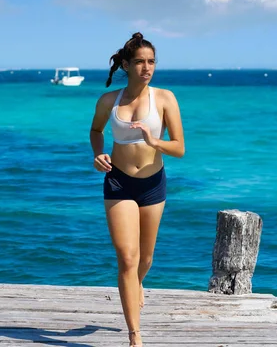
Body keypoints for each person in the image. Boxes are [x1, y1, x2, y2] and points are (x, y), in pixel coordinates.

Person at [89, 32, 185, 347]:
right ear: (127, 65)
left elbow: (179, 148)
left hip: (153, 182)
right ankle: (135, 335)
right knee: (127, 258)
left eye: (151, 61)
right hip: (118, 181)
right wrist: (98, 153)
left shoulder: (165, 98)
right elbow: (95, 130)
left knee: (145, 260)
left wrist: (154, 140)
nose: (147, 68)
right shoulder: (108, 101)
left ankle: (138, 284)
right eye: (140, 62)